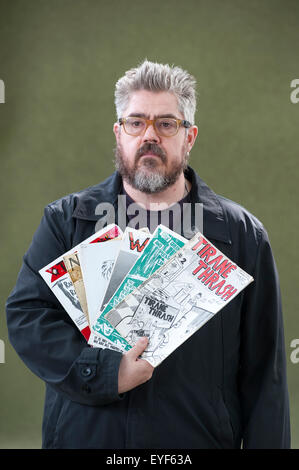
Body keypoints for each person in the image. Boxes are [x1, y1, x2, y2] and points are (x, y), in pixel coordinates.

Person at [6, 60, 290, 449]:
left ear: (189, 137)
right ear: (118, 133)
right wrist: (106, 373)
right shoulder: (65, 221)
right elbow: (27, 318)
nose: (149, 136)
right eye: (135, 122)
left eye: (166, 124)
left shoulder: (243, 236)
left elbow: (265, 377)